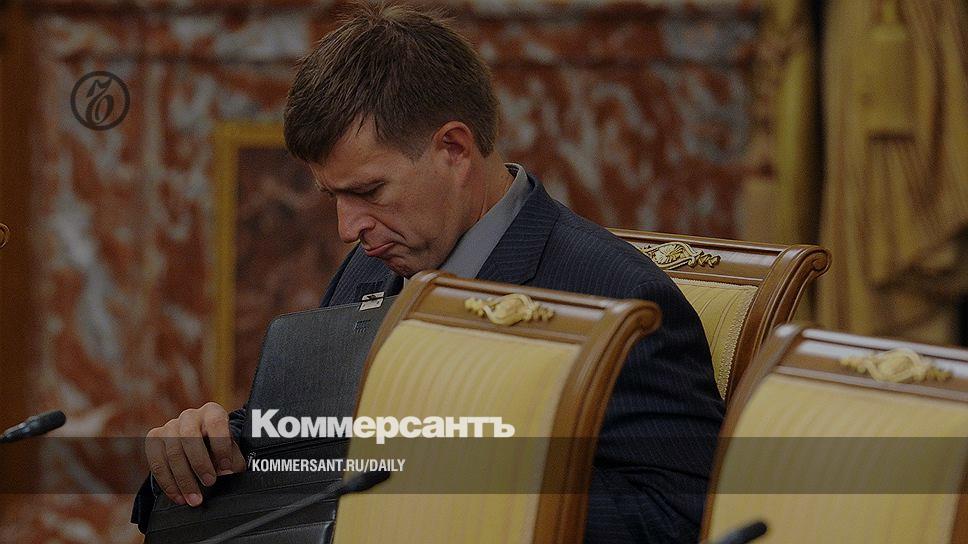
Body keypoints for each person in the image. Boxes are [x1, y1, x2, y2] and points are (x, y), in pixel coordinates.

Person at [133, 3, 724, 542]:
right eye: (334, 197)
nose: (347, 228)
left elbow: (686, 517)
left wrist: (462, 499)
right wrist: (202, 451)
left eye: (369, 191)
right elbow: (314, 441)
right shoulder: (370, 270)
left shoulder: (619, 297)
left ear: (455, 150)